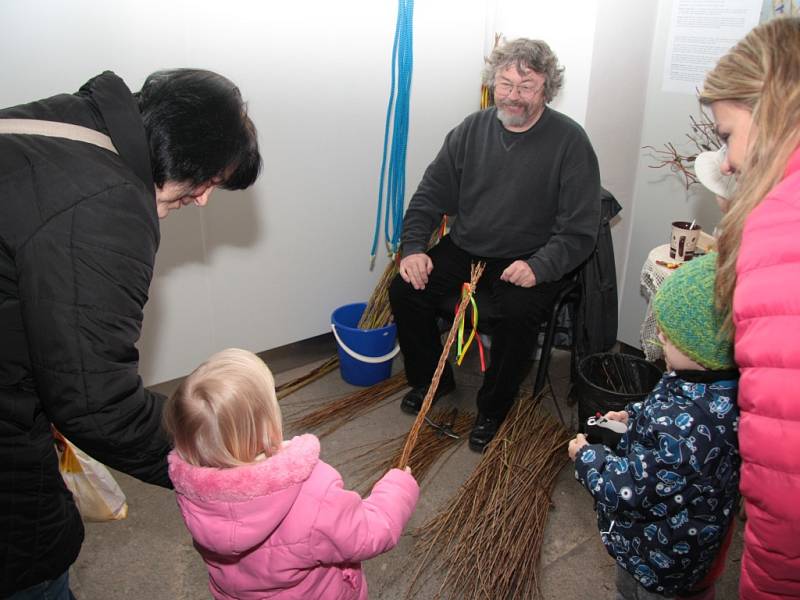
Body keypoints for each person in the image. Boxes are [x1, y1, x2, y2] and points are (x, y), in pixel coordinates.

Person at [0, 69, 261, 598]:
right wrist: (213, 461)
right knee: (32, 555)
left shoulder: (67, 123)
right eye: (211, 179)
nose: (205, 199)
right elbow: (97, 402)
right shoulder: (105, 204)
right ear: (186, 151)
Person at [388, 38, 601, 451]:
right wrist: (413, 247)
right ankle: (433, 380)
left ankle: (493, 408)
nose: (513, 96)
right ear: (493, 83)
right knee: (406, 288)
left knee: (517, 313)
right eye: (505, 84)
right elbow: (429, 196)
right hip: (468, 245)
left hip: (532, 255)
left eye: (526, 87)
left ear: (547, 89)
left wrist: (540, 266)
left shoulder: (570, 142)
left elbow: (580, 231)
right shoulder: (471, 130)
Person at [163, 348, 419, 600]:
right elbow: (371, 532)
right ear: (269, 425)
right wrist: (398, 486)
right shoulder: (312, 493)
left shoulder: (193, 492)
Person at [698, 16, 800, 600]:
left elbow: (786, 473)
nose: (728, 160)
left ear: (775, 110)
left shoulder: (781, 224)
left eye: (728, 133)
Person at [568, 254, 740, 600]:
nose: (659, 334)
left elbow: (631, 487)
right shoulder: (700, 382)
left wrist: (587, 458)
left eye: (670, 336)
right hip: (642, 542)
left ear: (704, 349)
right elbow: (662, 408)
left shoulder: (691, 430)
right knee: (627, 585)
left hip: (666, 553)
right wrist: (632, 419)